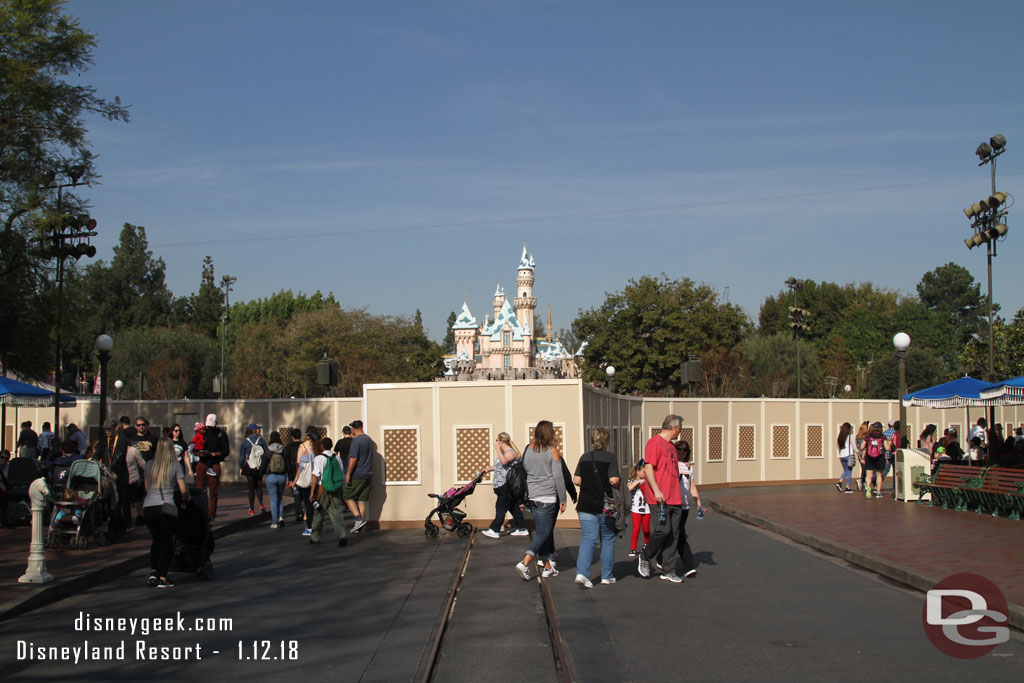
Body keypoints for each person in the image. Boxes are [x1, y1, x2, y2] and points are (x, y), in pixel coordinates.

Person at [515, 420, 566, 581]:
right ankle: (525, 561)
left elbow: (524, 471)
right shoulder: (552, 451)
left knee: (542, 531)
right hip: (548, 497)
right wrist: (563, 498)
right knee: (544, 532)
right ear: (550, 434)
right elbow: (558, 477)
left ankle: (547, 567)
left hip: (532, 496)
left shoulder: (528, 450)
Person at [638, 414, 684, 583]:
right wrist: (656, 490)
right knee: (663, 530)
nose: (681, 431)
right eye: (681, 428)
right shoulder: (654, 443)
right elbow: (649, 468)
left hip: (675, 497)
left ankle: (669, 569)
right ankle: (645, 555)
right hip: (659, 497)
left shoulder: (671, 447)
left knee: (673, 534)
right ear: (675, 428)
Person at [572, 427, 621, 588]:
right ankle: (606, 575)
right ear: (606, 441)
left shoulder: (585, 457)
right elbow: (614, 480)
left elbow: (577, 480)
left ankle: (582, 573)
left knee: (588, 538)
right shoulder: (611, 457)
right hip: (605, 505)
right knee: (607, 539)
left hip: (585, 503)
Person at [142, 437, 190, 589]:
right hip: (167, 506)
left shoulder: (149, 465)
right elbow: (183, 489)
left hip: (149, 506)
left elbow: (146, 487)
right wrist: (186, 499)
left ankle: (153, 572)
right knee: (167, 541)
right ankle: (163, 576)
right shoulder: (175, 465)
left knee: (156, 540)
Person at [482, 432, 528, 539]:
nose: (496, 442)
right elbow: (499, 464)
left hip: (506, 486)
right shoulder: (504, 453)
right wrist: (488, 469)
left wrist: (497, 449)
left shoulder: (510, 453)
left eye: (497, 440)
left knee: (501, 507)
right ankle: (522, 528)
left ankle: (494, 529)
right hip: (502, 486)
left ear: (502, 441)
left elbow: (503, 462)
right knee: (514, 507)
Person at [309, 437, 348, 547]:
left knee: (319, 513)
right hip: (335, 488)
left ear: (322, 446)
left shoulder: (319, 458)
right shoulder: (337, 458)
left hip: (323, 488)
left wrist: (312, 492)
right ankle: (342, 535)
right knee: (336, 513)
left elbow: (315, 476)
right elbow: (341, 474)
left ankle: (315, 537)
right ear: (331, 446)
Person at [674, 441, 702, 579]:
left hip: (684, 505)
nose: (682, 452)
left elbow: (692, 486)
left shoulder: (689, 468)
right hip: (673, 504)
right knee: (679, 534)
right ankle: (688, 565)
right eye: (679, 449)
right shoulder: (671, 465)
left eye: (685, 450)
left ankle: (661, 558)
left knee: (676, 533)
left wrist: (698, 502)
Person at [194, 413, 230, 520]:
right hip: (202, 463)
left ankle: (211, 513)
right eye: (208, 425)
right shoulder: (203, 432)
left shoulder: (221, 434)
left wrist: (213, 454)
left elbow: (225, 451)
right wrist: (199, 453)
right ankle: (200, 512)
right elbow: (195, 448)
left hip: (214, 464)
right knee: (199, 489)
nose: (209, 428)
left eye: (211, 425)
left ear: (216, 423)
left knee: (213, 491)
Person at [343, 420, 375, 533]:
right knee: (362, 498)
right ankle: (361, 525)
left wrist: (348, 474)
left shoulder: (356, 441)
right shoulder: (369, 440)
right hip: (368, 472)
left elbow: (353, 458)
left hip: (358, 473)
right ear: (362, 427)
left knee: (347, 495)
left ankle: (358, 518)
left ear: (353, 429)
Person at [292, 427, 320, 537]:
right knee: (316, 502)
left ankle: (310, 527)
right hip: (317, 477)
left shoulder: (303, 446)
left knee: (307, 503)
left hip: (306, 478)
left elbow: (299, 463)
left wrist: (295, 479)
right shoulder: (317, 446)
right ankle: (317, 525)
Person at [238, 423, 267, 515]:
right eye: (258, 429)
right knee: (258, 485)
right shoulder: (261, 440)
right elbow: (266, 453)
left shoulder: (245, 441)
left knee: (251, 488)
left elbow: (242, 456)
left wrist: (241, 467)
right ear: (255, 430)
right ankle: (261, 505)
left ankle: (251, 508)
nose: (259, 430)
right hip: (259, 466)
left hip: (249, 466)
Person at [627, 462, 650, 557]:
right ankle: (633, 548)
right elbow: (628, 488)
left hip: (647, 509)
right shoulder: (632, 480)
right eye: (644, 472)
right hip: (636, 509)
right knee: (636, 529)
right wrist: (638, 482)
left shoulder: (648, 481)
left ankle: (647, 545)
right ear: (638, 472)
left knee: (646, 529)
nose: (645, 474)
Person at [861, 422, 888, 499]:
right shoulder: (883, 437)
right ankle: (878, 492)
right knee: (879, 474)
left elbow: (862, 447)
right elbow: (887, 448)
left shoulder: (868, 436)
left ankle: (868, 488)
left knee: (869, 475)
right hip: (880, 457)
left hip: (869, 457)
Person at [283, 428, 304, 524]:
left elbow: (287, 464)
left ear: (292, 437)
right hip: (303, 473)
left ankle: (299, 512)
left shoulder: (288, 447)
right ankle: (306, 512)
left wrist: (290, 479)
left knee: (297, 495)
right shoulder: (303, 446)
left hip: (293, 474)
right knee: (305, 493)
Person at [835, 422, 854, 493]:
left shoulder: (840, 437)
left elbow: (839, 447)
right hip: (849, 455)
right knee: (849, 471)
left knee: (846, 470)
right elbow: (854, 446)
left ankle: (840, 482)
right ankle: (847, 487)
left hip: (842, 455)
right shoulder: (850, 436)